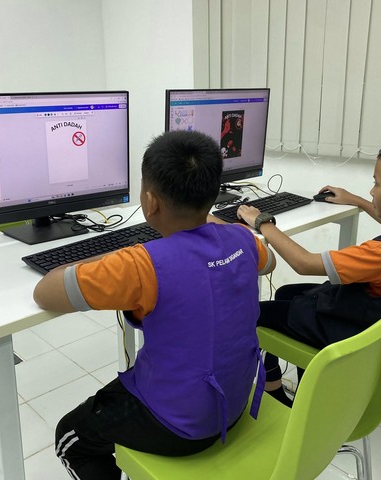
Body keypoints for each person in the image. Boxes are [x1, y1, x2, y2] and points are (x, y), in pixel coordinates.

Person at [33, 130, 276, 480]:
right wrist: (212, 221)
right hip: (232, 403)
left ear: (150, 202)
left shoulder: (142, 264)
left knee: (70, 438)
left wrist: (115, 256)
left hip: (180, 425)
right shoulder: (244, 240)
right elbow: (269, 262)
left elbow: (45, 292)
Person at [236, 137, 381, 406]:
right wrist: (356, 200)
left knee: (254, 314)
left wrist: (262, 222)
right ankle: (279, 386)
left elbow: (304, 264)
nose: (372, 191)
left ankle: (298, 398)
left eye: (376, 183)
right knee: (285, 293)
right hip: (365, 317)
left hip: (343, 329)